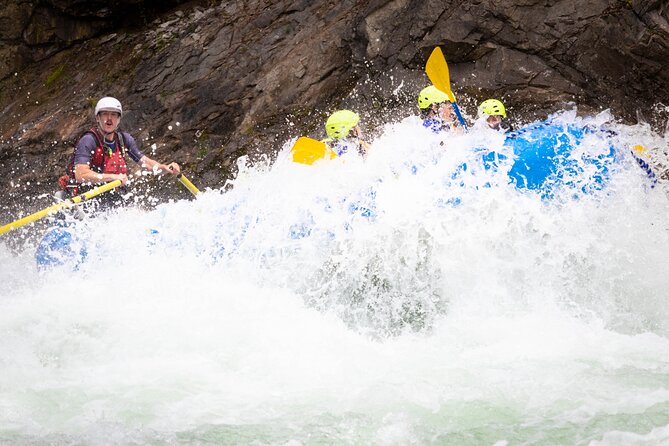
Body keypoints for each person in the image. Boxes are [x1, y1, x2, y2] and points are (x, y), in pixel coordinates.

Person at [59, 97, 181, 208]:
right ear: (98, 118)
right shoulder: (88, 140)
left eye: (113, 115)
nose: (109, 119)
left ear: (118, 119)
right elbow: (81, 174)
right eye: (105, 114)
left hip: (110, 195)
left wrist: (165, 167)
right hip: (84, 197)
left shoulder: (124, 139)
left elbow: (146, 163)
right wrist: (112, 177)